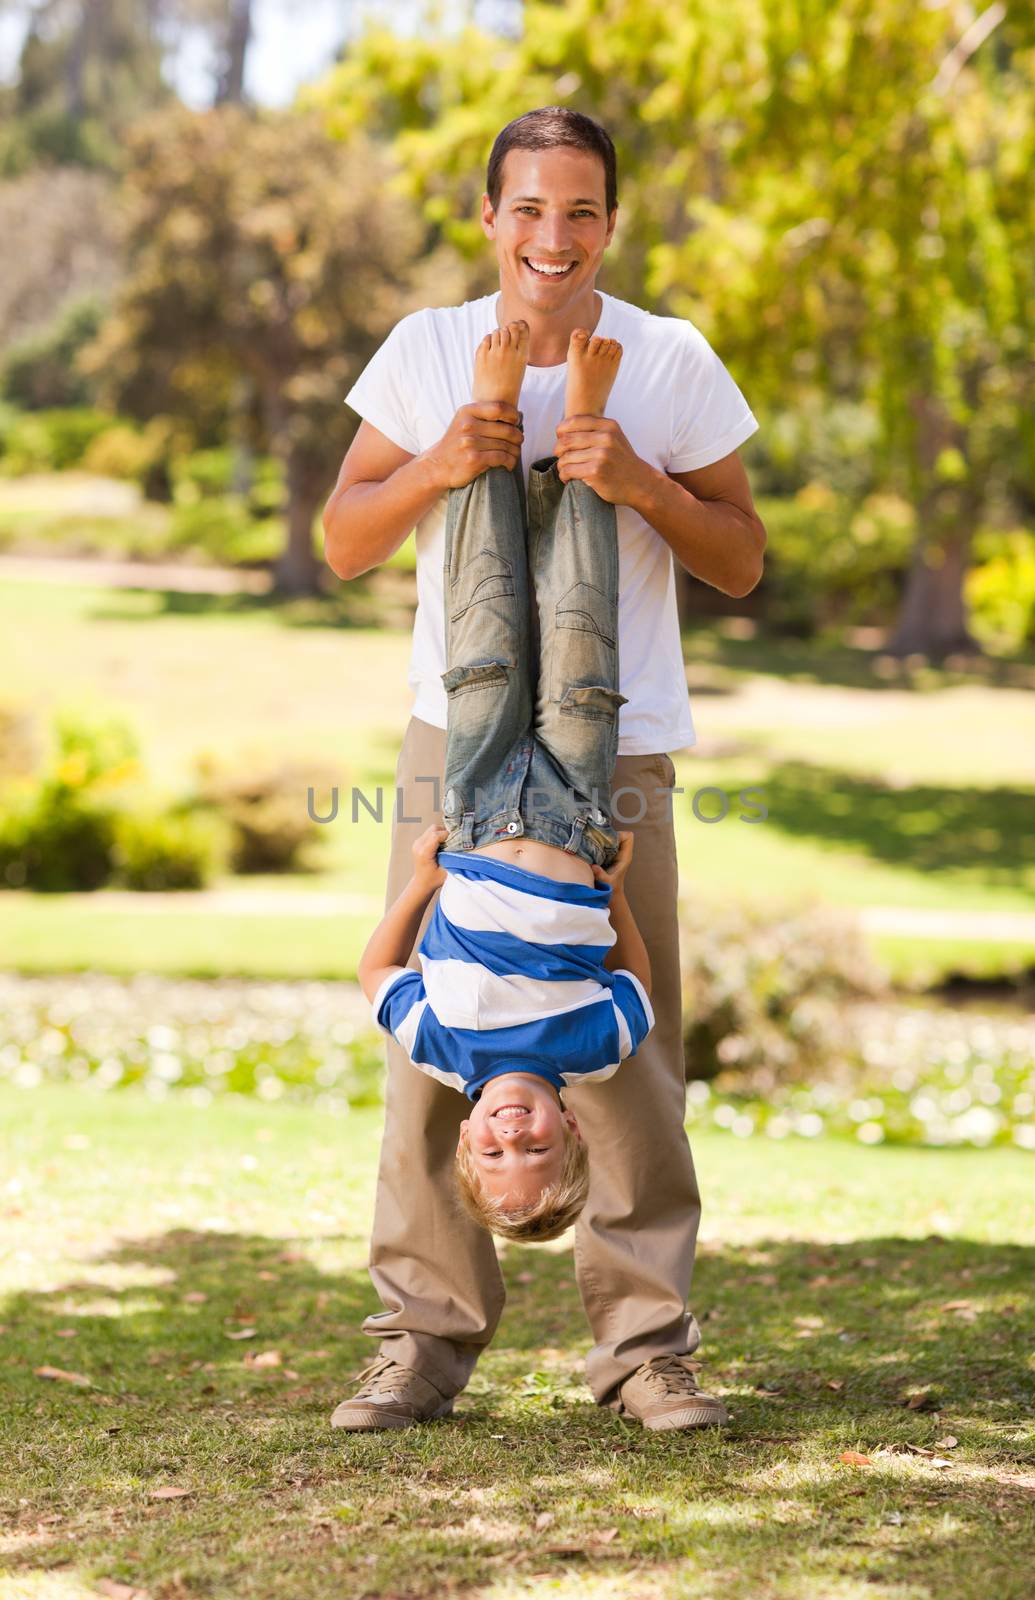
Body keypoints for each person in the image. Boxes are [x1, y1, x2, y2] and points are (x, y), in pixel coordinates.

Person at [324, 105, 764, 1434]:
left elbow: (739, 558)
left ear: (609, 223)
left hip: (616, 742)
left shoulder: (673, 362)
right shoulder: (422, 352)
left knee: (633, 1050)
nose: (552, 237)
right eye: (528, 209)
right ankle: (421, 1342)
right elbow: (343, 537)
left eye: (578, 211)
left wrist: (641, 482)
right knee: (428, 1056)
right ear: (489, 217)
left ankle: (643, 1352)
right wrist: (434, 471)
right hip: (446, 733)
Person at [357, 321, 654, 1247]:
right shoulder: (595, 1051)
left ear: (466, 1143)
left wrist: (418, 885)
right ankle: (579, 424)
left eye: (492, 1156)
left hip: (477, 808)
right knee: (577, 630)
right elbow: (635, 981)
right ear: (570, 1132)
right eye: (534, 1153)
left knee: (481, 632)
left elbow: (376, 972)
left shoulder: (440, 1050)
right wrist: (616, 890)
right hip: (574, 814)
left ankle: (489, 417)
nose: (511, 1139)